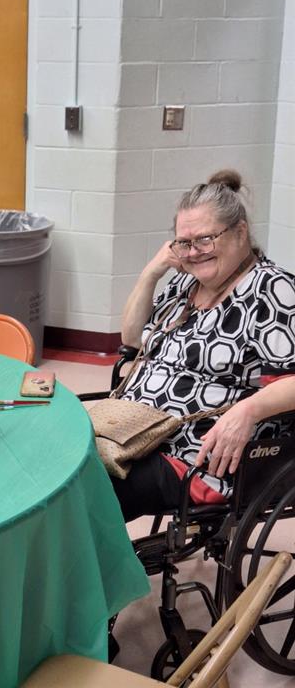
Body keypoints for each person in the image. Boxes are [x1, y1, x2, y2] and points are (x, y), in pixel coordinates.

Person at [109, 169, 295, 522]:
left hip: (196, 458)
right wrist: (153, 271)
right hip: (135, 434)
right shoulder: (186, 284)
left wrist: (248, 410)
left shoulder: (273, 290)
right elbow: (132, 339)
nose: (193, 253)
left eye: (205, 240)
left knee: (94, 493)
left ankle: (87, 571)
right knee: (62, 464)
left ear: (240, 232)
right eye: (184, 243)